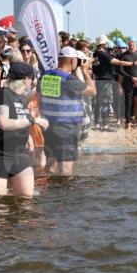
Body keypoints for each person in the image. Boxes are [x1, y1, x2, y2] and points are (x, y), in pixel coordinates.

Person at [0, 63, 48, 196]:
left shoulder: (20, 98)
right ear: (25, 79)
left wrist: (28, 137)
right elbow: (3, 123)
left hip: (20, 154)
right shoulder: (4, 93)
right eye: (32, 79)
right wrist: (34, 120)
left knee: (26, 198)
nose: (32, 83)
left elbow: (20, 119)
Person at [39, 47, 96, 176]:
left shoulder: (44, 76)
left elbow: (40, 97)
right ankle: (64, 189)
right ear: (72, 60)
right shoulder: (70, 80)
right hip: (66, 128)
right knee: (65, 169)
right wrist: (85, 71)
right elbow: (93, 91)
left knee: (50, 164)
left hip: (48, 126)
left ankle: (46, 187)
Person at [119, 39, 137, 129]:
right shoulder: (123, 55)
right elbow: (120, 70)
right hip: (128, 81)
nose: (132, 45)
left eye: (133, 43)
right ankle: (128, 122)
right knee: (128, 102)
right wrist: (131, 78)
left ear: (136, 44)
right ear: (128, 45)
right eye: (130, 44)